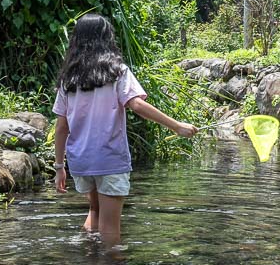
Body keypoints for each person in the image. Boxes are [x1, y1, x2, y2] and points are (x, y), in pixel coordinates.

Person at [53, 13, 197, 246]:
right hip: (109, 158)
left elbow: (61, 127)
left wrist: (60, 167)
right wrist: (177, 126)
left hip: (81, 161)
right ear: (106, 38)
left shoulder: (69, 80)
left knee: (94, 211)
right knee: (110, 226)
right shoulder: (117, 72)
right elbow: (136, 104)